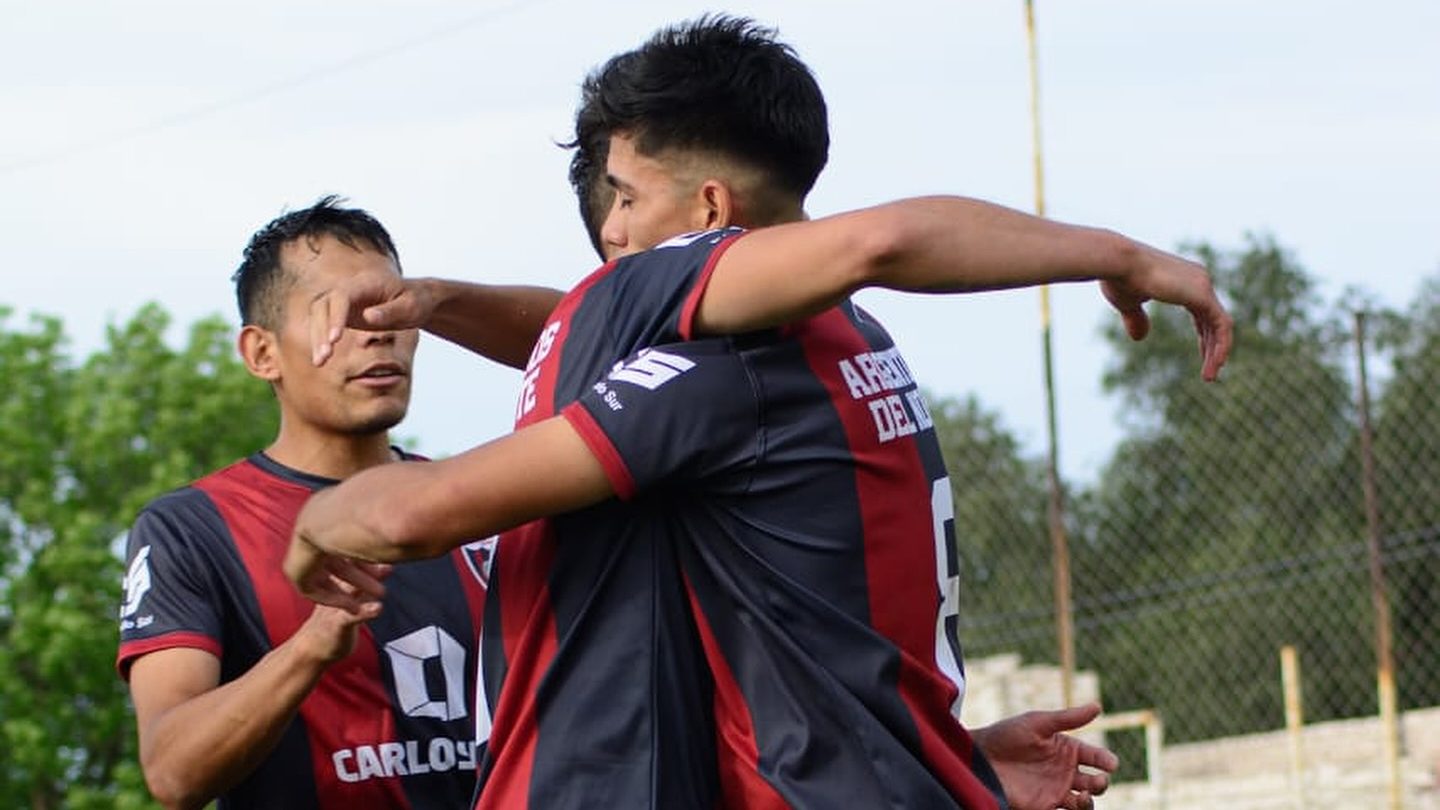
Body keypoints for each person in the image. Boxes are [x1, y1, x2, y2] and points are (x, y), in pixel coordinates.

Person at [287, 17, 1230, 810]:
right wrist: (956, 758)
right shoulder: (846, 343)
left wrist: (318, 520)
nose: (610, 231)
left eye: (624, 197)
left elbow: (881, 237)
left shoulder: (693, 349)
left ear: (709, 212)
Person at [115, 197, 502, 809]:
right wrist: (311, 645)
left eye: (388, 304)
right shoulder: (190, 528)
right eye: (337, 313)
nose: (376, 330)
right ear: (261, 353)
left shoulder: (478, 508)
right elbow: (172, 772)